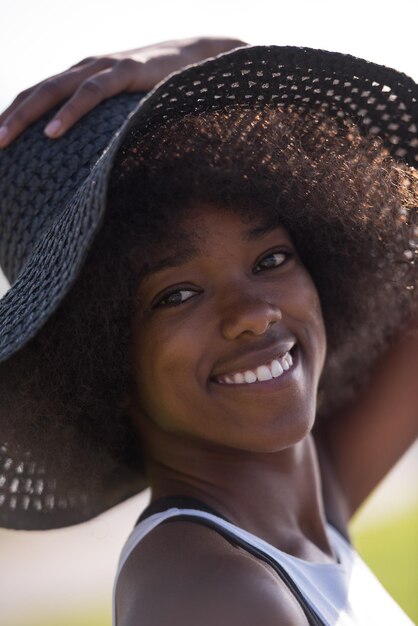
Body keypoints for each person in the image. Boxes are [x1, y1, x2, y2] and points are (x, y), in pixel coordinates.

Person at [0, 37, 417, 626]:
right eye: (177, 295)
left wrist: (220, 60)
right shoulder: (208, 596)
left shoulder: (308, 519)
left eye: (271, 259)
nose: (254, 312)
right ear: (100, 361)